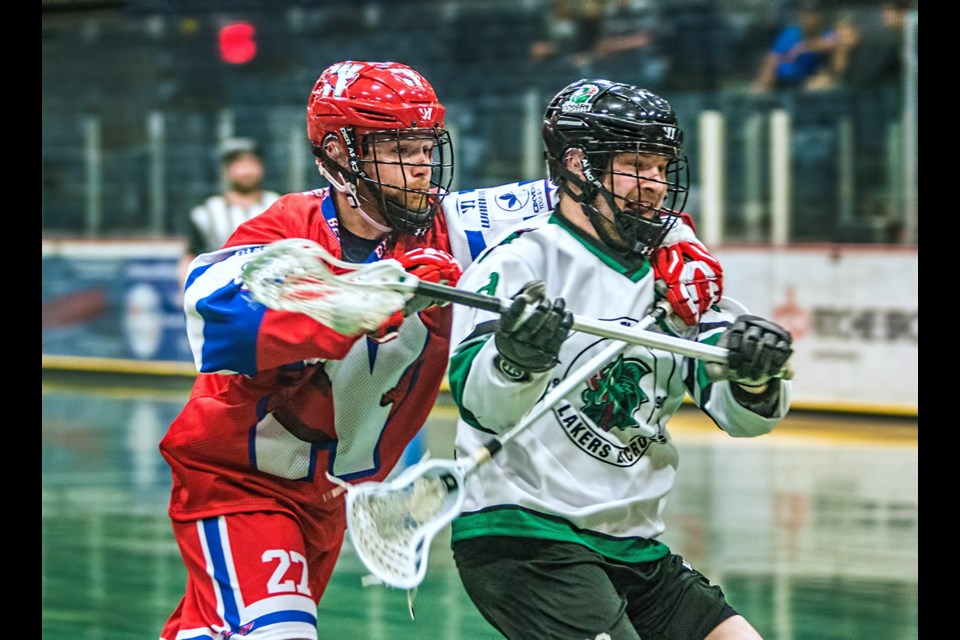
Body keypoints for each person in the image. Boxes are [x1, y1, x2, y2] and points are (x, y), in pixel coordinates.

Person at [160, 60, 726, 640]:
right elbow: (211, 313)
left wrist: (680, 244)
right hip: (240, 483)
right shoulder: (292, 225)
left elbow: (601, 194)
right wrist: (367, 292)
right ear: (338, 152)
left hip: (325, 497)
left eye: (426, 147)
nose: (420, 168)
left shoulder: (455, 227)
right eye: (397, 148)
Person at [446, 79, 794, 639]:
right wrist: (516, 358)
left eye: (661, 167)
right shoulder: (519, 262)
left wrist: (753, 376)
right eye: (637, 164)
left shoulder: (677, 268)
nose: (655, 185)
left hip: (634, 545)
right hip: (527, 537)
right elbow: (482, 407)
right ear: (581, 166)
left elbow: (744, 417)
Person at [178, 137, 281, 285]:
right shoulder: (207, 212)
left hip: (270, 290)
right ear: (227, 170)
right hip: (219, 292)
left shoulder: (278, 205)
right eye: (239, 164)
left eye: (252, 163)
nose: (246, 171)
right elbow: (191, 256)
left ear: (262, 167)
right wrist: (187, 289)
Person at [751, 1, 837, 93]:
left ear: (820, 16)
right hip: (783, 81)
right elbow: (773, 58)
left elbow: (833, 43)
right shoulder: (790, 34)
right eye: (805, 14)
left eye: (813, 14)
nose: (809, 18)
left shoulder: (827, 33)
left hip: (808, 81)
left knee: (822, 82)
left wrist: (804, 47)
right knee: (765, 74)